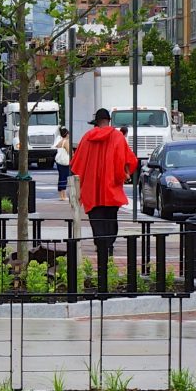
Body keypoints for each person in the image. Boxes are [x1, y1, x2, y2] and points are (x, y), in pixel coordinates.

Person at [70, 108, 139, 287]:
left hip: (92, 191)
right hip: (111, 190)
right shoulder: (117, 138)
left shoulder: (86, 138)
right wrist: (121, 175)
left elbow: (76, 166)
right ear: (109, 120)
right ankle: (108, 251)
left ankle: (101, 252)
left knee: (97, 223)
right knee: (110, 221)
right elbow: (130, 161)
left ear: (97, 121)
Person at [53, 126, 73, 198]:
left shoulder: (59, 141)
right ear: (67, 134)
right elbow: (69, 153)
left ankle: (61, 194)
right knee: (65, 178)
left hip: (59, 162)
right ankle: (63, 195)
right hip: (65, 162)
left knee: (61, 177)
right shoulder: (66, 142)